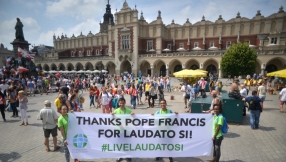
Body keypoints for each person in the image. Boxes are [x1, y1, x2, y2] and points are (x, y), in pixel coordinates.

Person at [112, 98, 134, 162]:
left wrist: (133, 114)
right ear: (118, 103)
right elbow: (111, 116)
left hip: (127, 131)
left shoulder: (128, 110)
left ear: (125, 103)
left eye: (123, 103)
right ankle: (120, 156)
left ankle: (127, 156)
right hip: (119, 130)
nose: (121, 104)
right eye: (120, 103)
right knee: (120, 144)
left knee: (127, 144)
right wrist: (112, 114)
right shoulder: (116, 111)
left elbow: (133, 114)